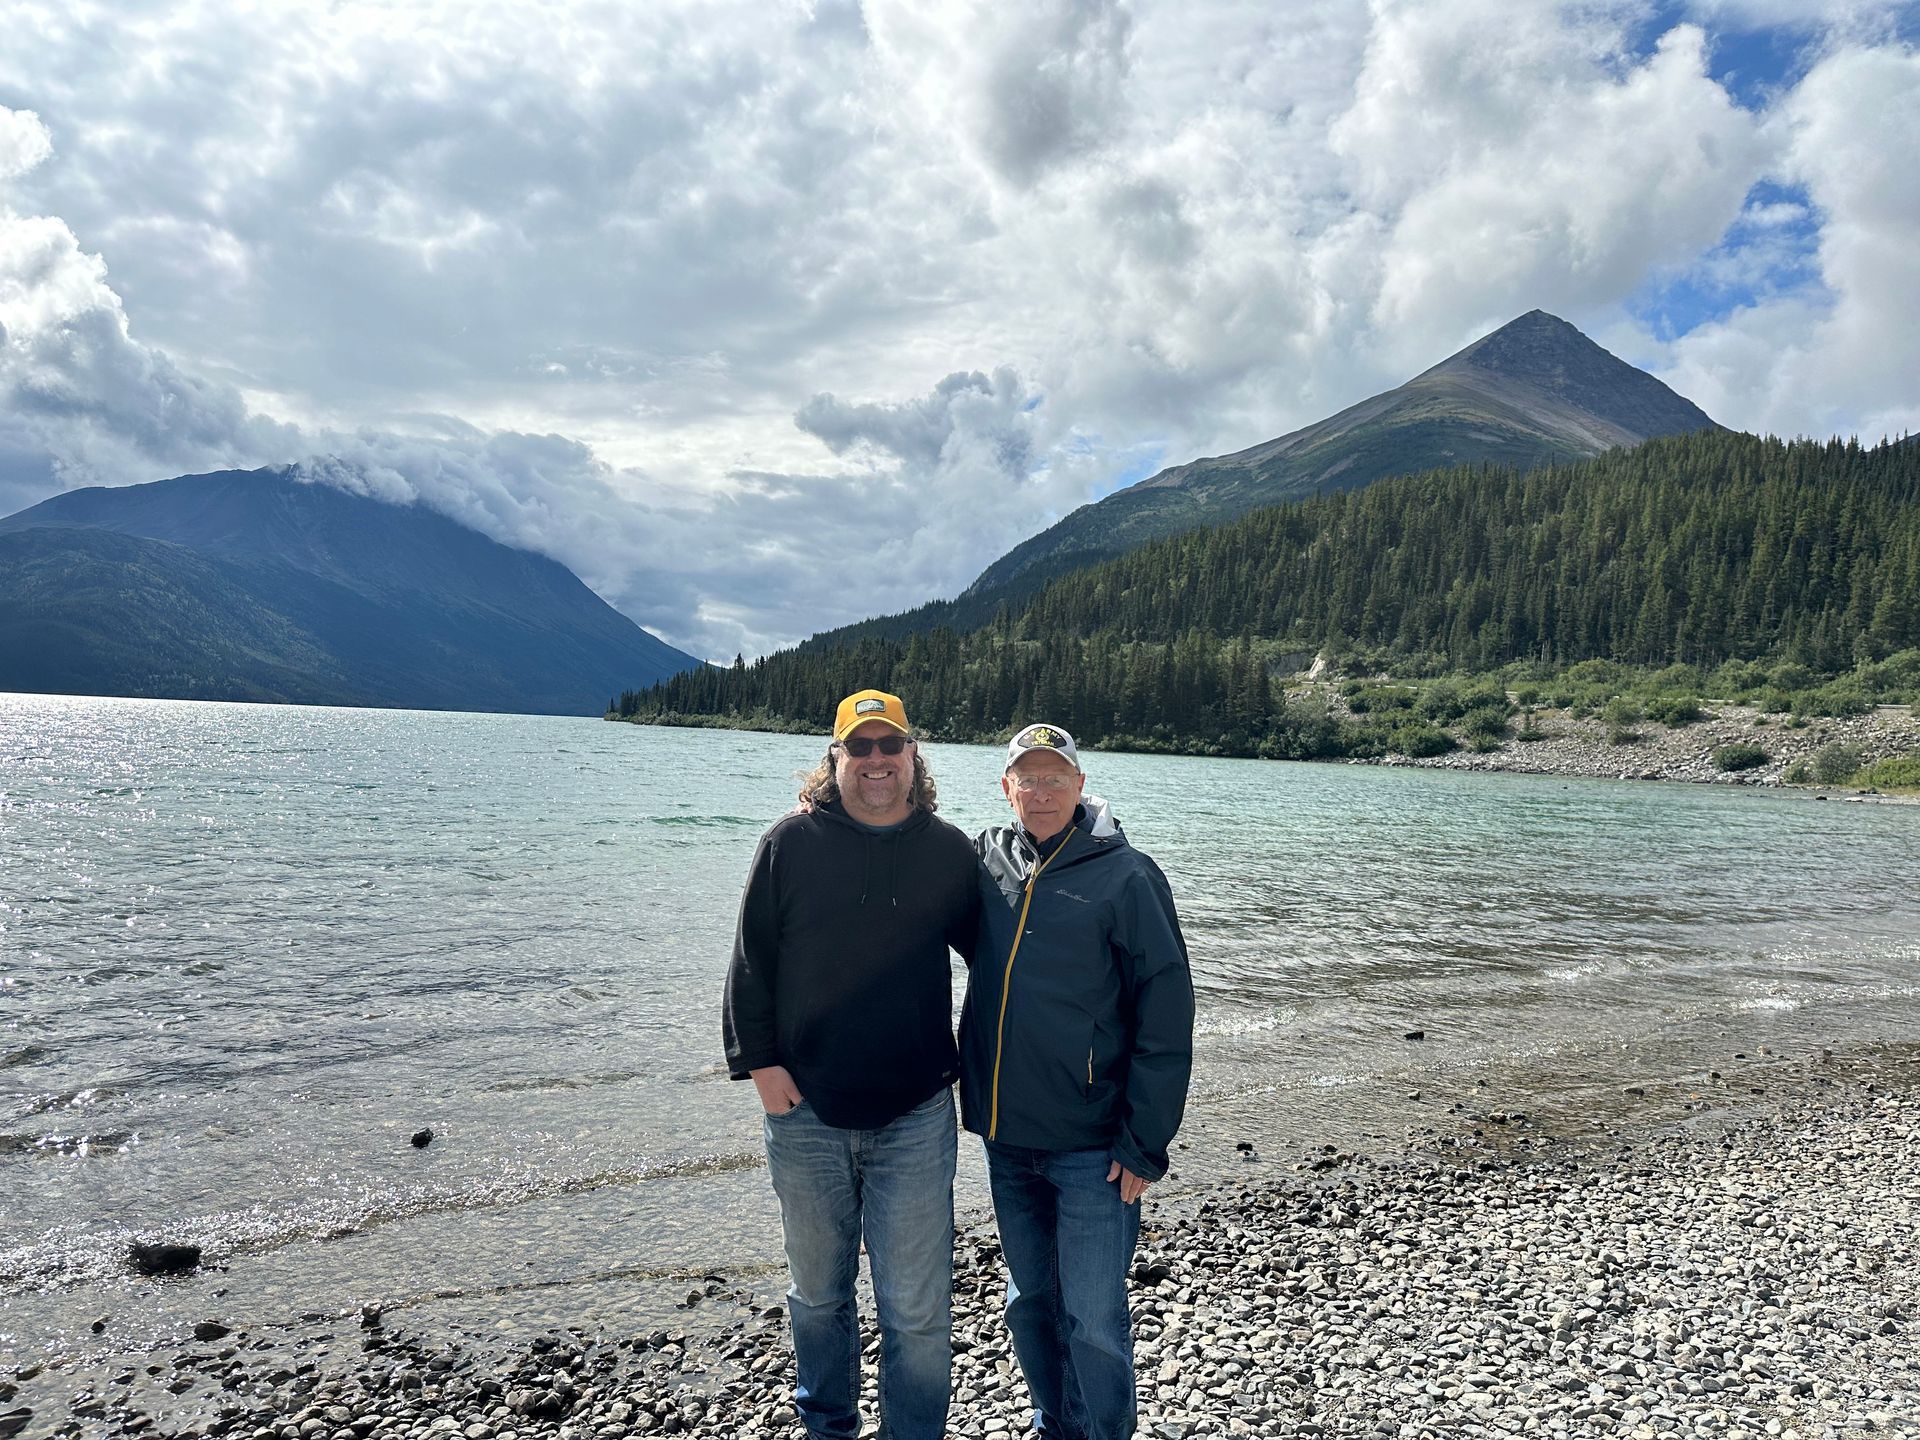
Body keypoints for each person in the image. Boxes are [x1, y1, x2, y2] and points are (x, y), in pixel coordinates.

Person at [722, 688, 978, 1440]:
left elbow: (1004, 961)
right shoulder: (789, 845)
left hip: (916, 1114)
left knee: (918, 1307)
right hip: (806, 1113)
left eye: (888, 746)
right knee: (818, 1294)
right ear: (834, 759)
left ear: (912, 756)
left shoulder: (948, 851)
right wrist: (762, 1071)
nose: (874, 762)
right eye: (857, 748)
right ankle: (828, 1425)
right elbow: (749, 966)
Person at [960, 722, 1194, 1440]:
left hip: (1094, 1148)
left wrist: (1144, 1141)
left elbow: (1167, 1013)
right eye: (1026, 778)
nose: (1040, 791)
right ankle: (1053, 1424)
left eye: (1054, 778)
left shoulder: (1127, 876)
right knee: (1028, 1301)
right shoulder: (985, 861)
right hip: (1007, 1138)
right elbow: (899, 866)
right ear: (1006, 787)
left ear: (1080, 786)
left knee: (1093, 1317)